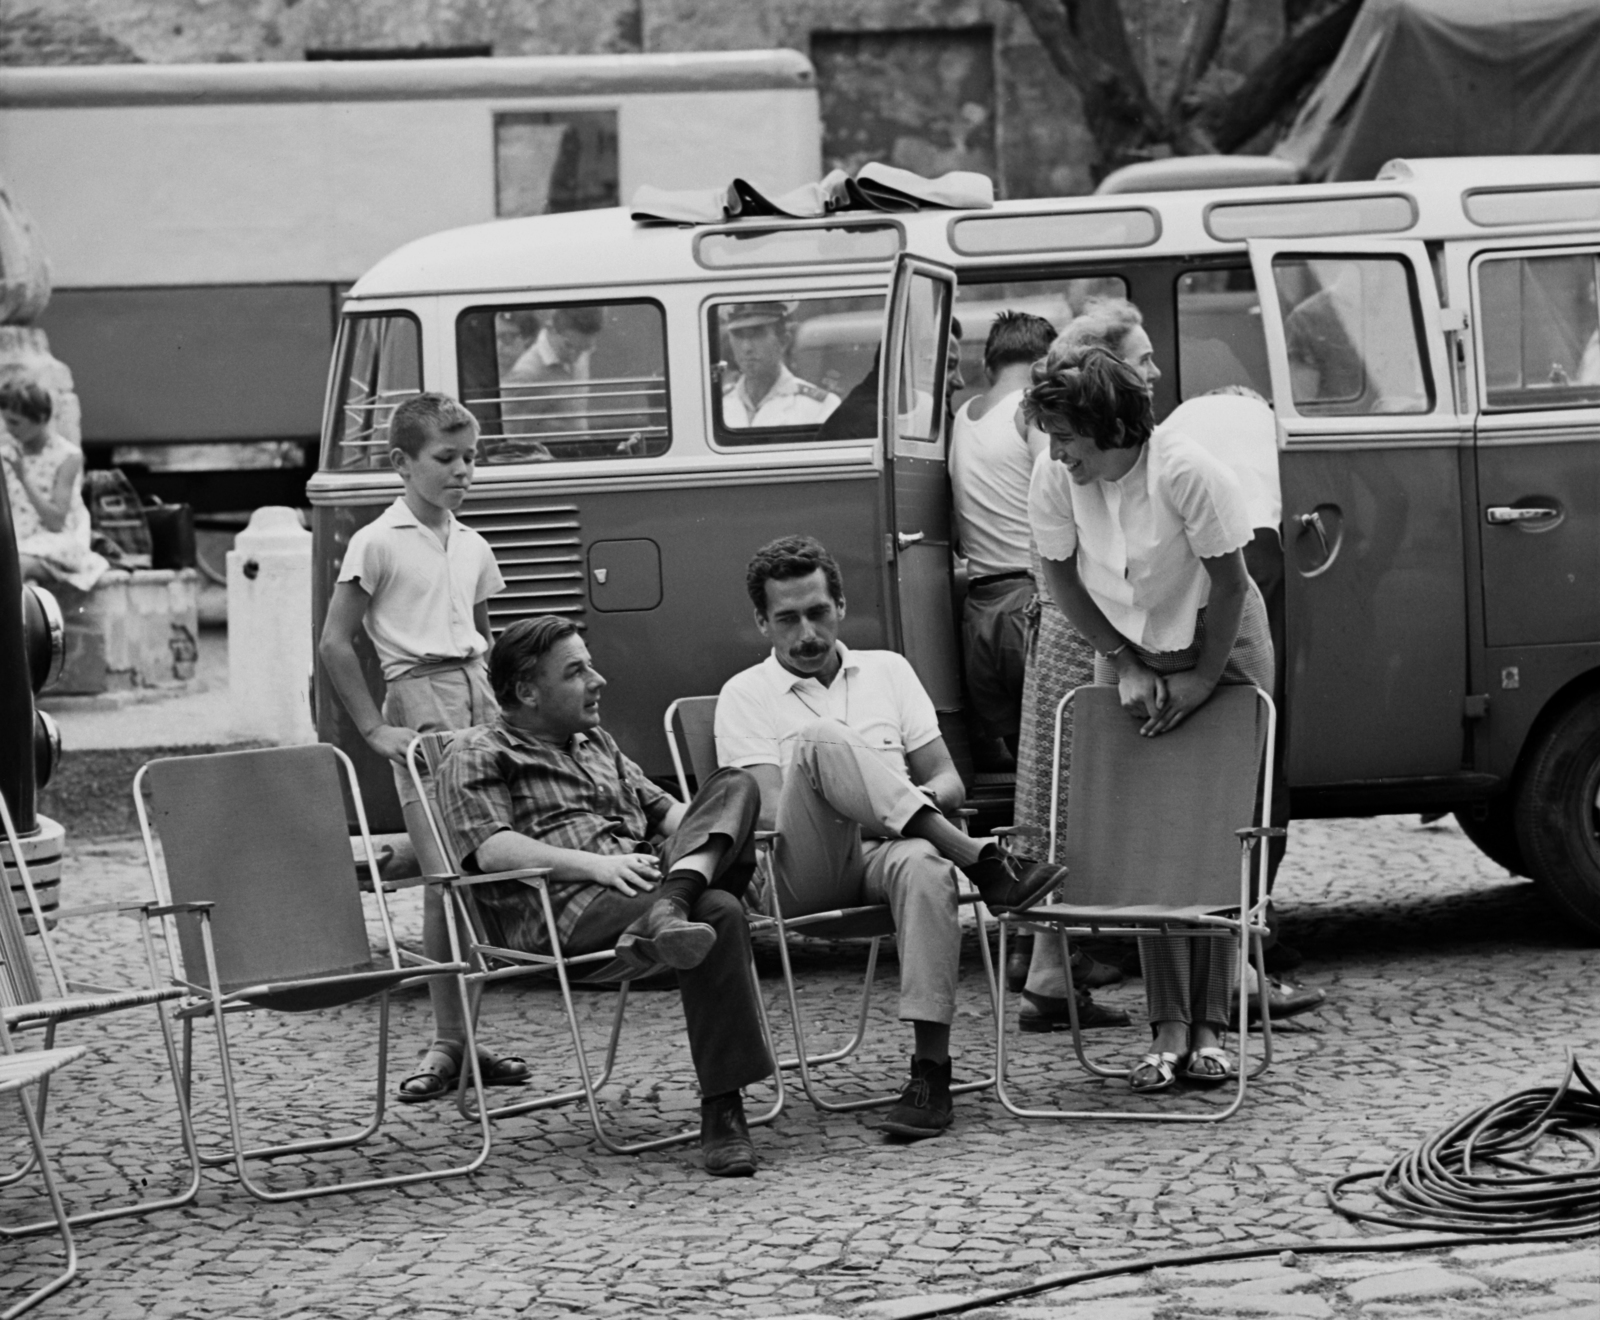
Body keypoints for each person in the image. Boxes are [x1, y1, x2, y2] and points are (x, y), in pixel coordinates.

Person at [714, 535, 1063, 1140]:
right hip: (802, 871)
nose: (807, 634)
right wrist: (881, 796)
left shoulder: (889, 670)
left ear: (842, 605)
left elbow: (949, 779)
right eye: (787, 619)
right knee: (825, 739)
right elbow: (770, 814)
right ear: (761, 622)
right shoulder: (744, 694)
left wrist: (904, 810)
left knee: (925, 867)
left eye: (818, 612)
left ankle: (931, 1071)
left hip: (889, 856)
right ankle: (980, 862)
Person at [437, 617, 774, 1177]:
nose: (599, 680)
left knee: (735, 784)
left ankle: (673, 904)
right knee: (718, 908)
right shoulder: (476, 751)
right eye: (577, 671)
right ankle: (724, 1111)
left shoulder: (598, 743)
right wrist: (600, 866)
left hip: (649, 886)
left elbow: (669, 813)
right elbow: (490, 848)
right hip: (566, 909)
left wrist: (724, 832)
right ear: (526, 691)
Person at [1024, 346, 1271, 1092]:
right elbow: (1057, 573)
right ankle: (1168, 1027)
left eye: (1067, 437)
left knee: (1215, 825)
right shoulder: (1056, 474)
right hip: (1126, 640)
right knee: (1148, 832)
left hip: (1218, 636)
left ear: (1109, 426)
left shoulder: (1187, 469)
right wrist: (1124, 661)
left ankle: (1213, 1026)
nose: (1056, 452)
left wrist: (1199, 678)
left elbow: (1231, 582)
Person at [318, 392, 528, 1104]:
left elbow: (486, 639)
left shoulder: (471, 544)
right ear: (402, 462)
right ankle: (447, 1043)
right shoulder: (378, 541)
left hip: (480, 700)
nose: (463, 471)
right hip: (419, 699)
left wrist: (510, 718)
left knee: (478, 868)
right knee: (445, 883)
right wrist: (376, 728)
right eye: (447, 459)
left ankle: (466, 1039)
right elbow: (334, 643)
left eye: (472, 458)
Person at [1009, 299, 1160, 1030]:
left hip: (1074, 628)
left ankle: (1048, 965)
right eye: (1141, 359)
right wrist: (1123, 652)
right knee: (1082, 795)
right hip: (1089, 633)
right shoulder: (1070, 454)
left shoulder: (1062, 441)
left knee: (1057, 794)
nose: (1154, 370)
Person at [949, 311, 1057, 762]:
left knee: (1021, 763)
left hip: (980, 614)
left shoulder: (962, 418)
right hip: (1030, 604)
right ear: (1043, 365)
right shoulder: (1032, 410)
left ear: (989, 365)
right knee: (1056, 756)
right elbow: (1057, 485)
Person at [0, 378, 107, 592]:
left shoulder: (67, 456)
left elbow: (56, 521)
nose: (8, 429)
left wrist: (23, 477)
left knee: (14, 565)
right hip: (17, 539)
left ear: (39, 419)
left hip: (54, 542)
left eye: (15, 422)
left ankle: (12, 624)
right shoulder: (7, 453)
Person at [720, 303, 840, 428]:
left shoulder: (821, 407)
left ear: (783, 342)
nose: (746, 348)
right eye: (738, 335)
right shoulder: (718, 404)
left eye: (757, 335)